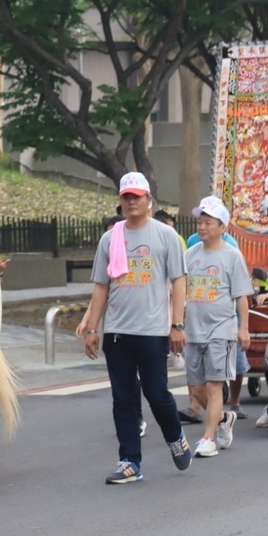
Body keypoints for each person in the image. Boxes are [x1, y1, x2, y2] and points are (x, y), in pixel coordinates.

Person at [82, 172, 192, 484]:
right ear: (120, 201)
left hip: (153, 331)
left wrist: (177, 324)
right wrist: (93, 329)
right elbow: (101, 287)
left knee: (157, 394)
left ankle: (175, 436)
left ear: (148, 200)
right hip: (118, 333)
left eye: (137, 197)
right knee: (124, 398)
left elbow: (178, 283)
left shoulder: (165, 236)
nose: (131, 202)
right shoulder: (111, 238)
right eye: (126, 197)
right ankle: (130, 461)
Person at [182, 198, 253, 458]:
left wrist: (243, 328)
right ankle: (223, 418)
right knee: (197, 388)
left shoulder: (232, 256)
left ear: (222, 226)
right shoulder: (189, 255)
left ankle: (207, 438)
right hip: (193, 330)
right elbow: (177, 292)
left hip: (221, 329)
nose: (202, 226)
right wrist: (174, 325)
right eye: (200, 221)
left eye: (208, 222)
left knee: (214, 387)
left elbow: (242, 296)